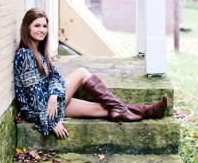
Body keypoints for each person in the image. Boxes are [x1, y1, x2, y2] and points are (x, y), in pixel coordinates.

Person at [14, 7, 168, 140]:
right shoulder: (25, 55)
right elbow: (34, 97)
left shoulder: (40, 52)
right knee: (81, 72)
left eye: (45, 26)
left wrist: (54, 95)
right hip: (40, 111)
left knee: (104, 109)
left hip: (51, 102)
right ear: (27, 27)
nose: (42, 30)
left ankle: (150, 111)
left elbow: (55, 78)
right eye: (37, 26)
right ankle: (126, 109)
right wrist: (52, 122)